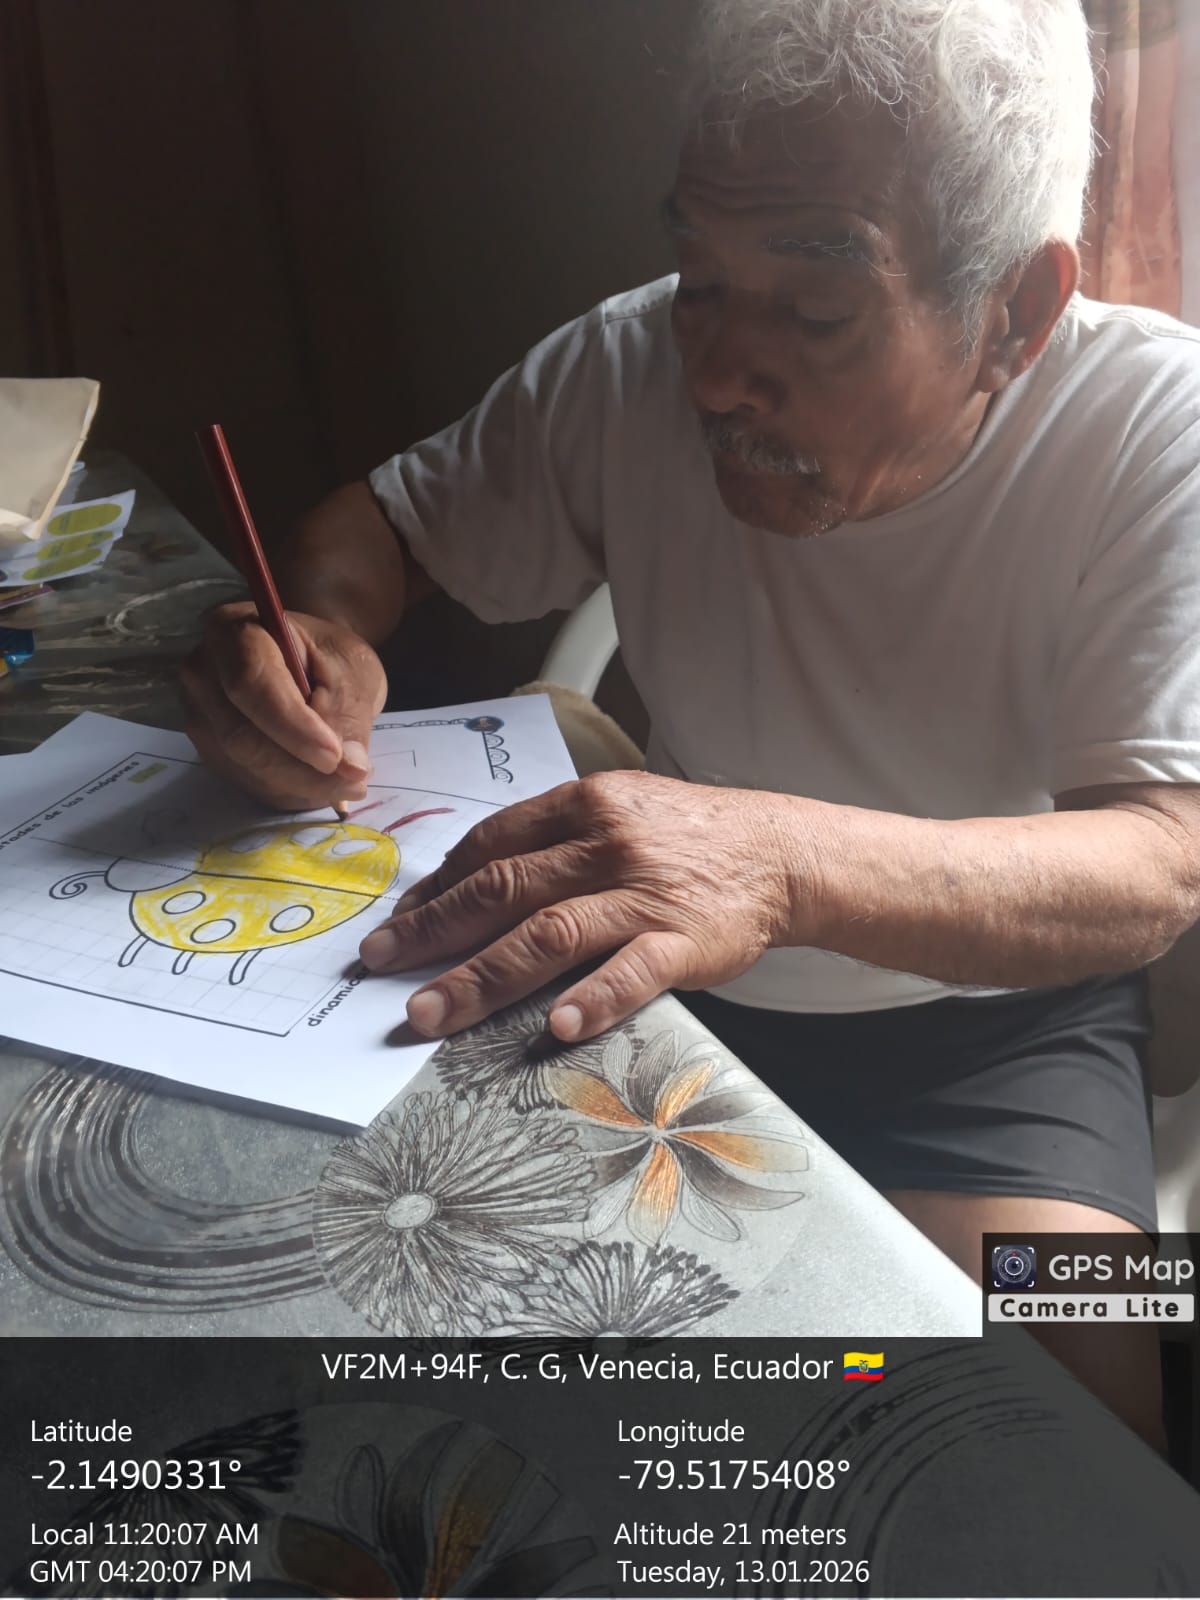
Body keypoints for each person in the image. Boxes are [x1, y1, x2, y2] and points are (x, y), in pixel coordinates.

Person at [183, 0, 1200, 1448]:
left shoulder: (1158, 428)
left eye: (817, 313)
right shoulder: (624, 368)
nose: (717, 373)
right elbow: (385, 527)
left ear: (1016, 314)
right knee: (451, 1378)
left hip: (998, 1034)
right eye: (701, 280)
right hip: (656, 977)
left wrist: (774, 868)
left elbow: (1160, 861)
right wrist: (319, 627)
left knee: (1087, 1409)